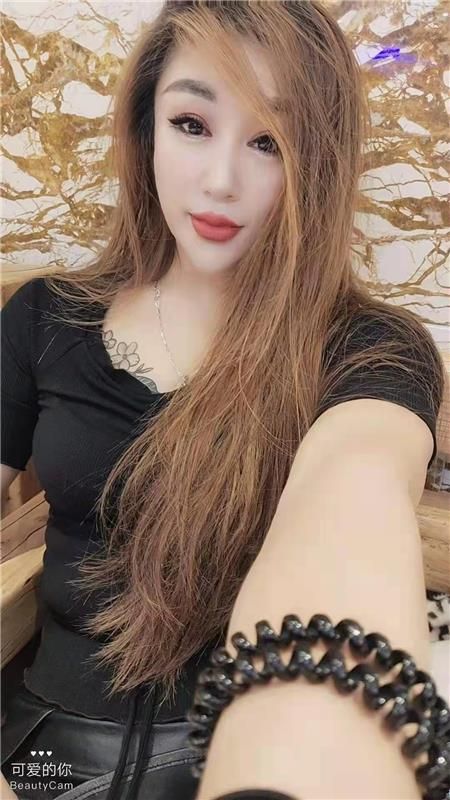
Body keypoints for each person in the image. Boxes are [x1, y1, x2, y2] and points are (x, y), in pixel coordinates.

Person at [1, 2, 446, 799]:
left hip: (229, 752)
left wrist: (289, 766)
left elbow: (355, 497)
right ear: (146, 128)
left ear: (318, 163)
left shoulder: (369, 347)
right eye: (192, 124)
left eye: (269, 141)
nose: (220, 181)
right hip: (41, 753)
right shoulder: (43, 317)